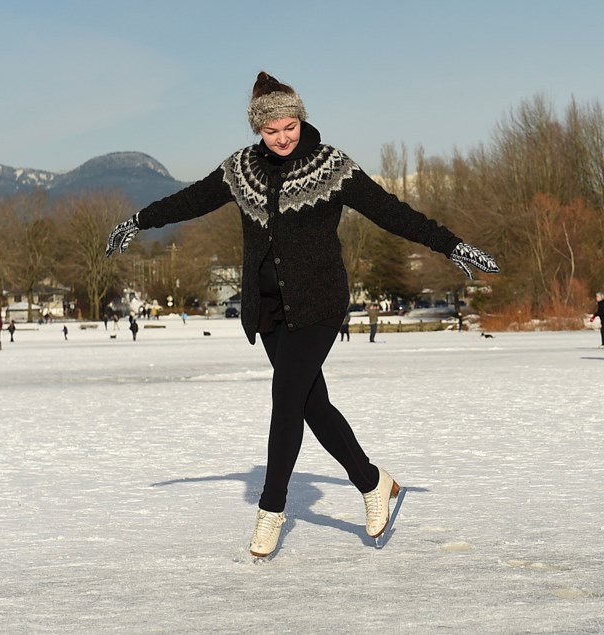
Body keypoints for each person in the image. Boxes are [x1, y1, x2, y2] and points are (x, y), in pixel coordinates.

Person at [105, 71, 499, 558]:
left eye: (288, 125)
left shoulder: (331, 165)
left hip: (319, 304)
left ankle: (271, 510)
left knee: (286, 397)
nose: (282, 136)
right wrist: (139, 221)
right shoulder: (240, 169)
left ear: (300, 118)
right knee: (311, 404)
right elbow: (191, 199)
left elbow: (391, 212)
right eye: (271, 130)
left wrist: (450, 244)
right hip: (268, 310)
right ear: (258, 131)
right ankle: (373, 482)